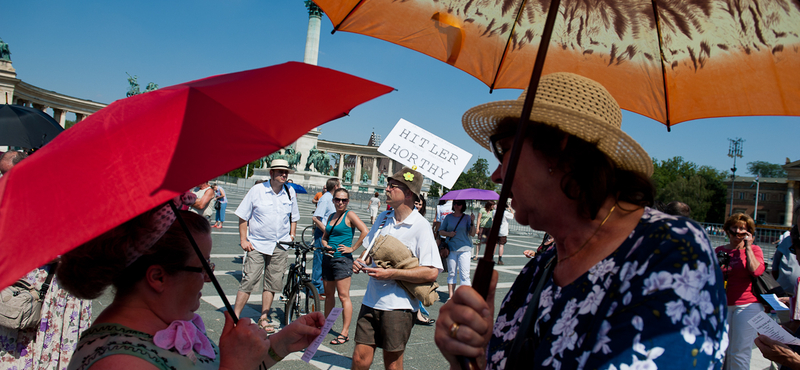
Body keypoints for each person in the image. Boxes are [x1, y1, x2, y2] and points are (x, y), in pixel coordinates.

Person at [434, 72, 726, 369]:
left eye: (504, 149)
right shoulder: (541, 267)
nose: (497, 175)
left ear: (558, 147)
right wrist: (471, 359)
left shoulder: (671, 250)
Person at [57, 200, 324, 369]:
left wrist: (282, 344)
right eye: (203, 266)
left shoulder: (168, 324)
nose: (209, 277)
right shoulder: (120, 363)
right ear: (158, 277)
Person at [0, 151, 92, 369]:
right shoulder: (16, 197)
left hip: (53, 286)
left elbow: (75, 244)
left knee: (45, 347)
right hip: (28, 283)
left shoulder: (56, 198)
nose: (4, 178)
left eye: (7, 173)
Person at [351, 167, 443, 370]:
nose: (386, 189)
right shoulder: (384, 217)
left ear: (408, 193)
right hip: (371, 300)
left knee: (392, 364)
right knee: (359, 359)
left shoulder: (420, 226)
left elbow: (432, 271)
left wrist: (392, 273)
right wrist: (361, 262)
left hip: (399, 306)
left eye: (393, 186)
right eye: (388, 185)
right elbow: (367, 254)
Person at [232, 159, 300, 333]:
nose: (283, 174)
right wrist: (243, 239)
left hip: (280, 244)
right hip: (257, 243)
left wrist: (291, 235)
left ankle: (264, 316)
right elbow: (242, 215)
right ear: (271, 173)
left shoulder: (290, 191)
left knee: (272, 282)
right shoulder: (257, 190)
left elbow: (294, 217)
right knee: (249, 280)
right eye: (279, 171)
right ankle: (234, 317)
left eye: (285, 172)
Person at [714, 213, 764, 370]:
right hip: (723, 305)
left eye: (743, 229)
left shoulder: (755, 250)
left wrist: (748, 247)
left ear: (749, 232)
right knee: (720, 351)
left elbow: (756, 271)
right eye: (735, 227)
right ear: (727, 230)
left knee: (739, 351)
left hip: (747, 305)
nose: (738, 232)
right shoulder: (719, 250)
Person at [320, 188, 369, 345]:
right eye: (338, 199)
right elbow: (324, 237)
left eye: (344, 200)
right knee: (329, 295)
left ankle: (345, 332)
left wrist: (353, 249)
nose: (340, 202)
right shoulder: (331, 216)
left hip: (342, 260)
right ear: (333, 200)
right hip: (328, 258)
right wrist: (325, 245)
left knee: (343, 296)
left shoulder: (349, 215)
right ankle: (327, 326)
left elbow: (365, 231)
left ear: (348, 201)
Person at [438, 199, 476, 300]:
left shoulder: (467, 217)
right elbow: (441, 231)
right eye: (455, 203)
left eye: (459, 203)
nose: (456, 205)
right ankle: (451, 296)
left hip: (465, 248)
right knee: (451, 273)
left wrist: (472, 221)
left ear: (463, 205)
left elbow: (472, 233)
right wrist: (448, 234)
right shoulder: (448, 217)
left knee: (465, 274)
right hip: (451, 248)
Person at [312, 178, 341, 296]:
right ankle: (315, 289)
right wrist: (326, 231)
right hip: (322, 234)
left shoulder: (331, 199)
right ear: (335, 186)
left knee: (325, 261)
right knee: (318, 261)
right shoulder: (325, 199)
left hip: (327, 234)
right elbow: (316, 217)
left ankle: (322, 288)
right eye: (340, 185)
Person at [413, 196, 435, 326]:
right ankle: (417, 314)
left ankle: (418, 313)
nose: (417, 206)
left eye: (420, 204)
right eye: (416, 203)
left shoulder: (423, 222)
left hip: (419, 259)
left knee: (418, 287)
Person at [773, 206, 800, 293]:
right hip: (785, 290)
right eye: (793, 250)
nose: (796, 257)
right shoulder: (788, 239)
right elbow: (775, 267)